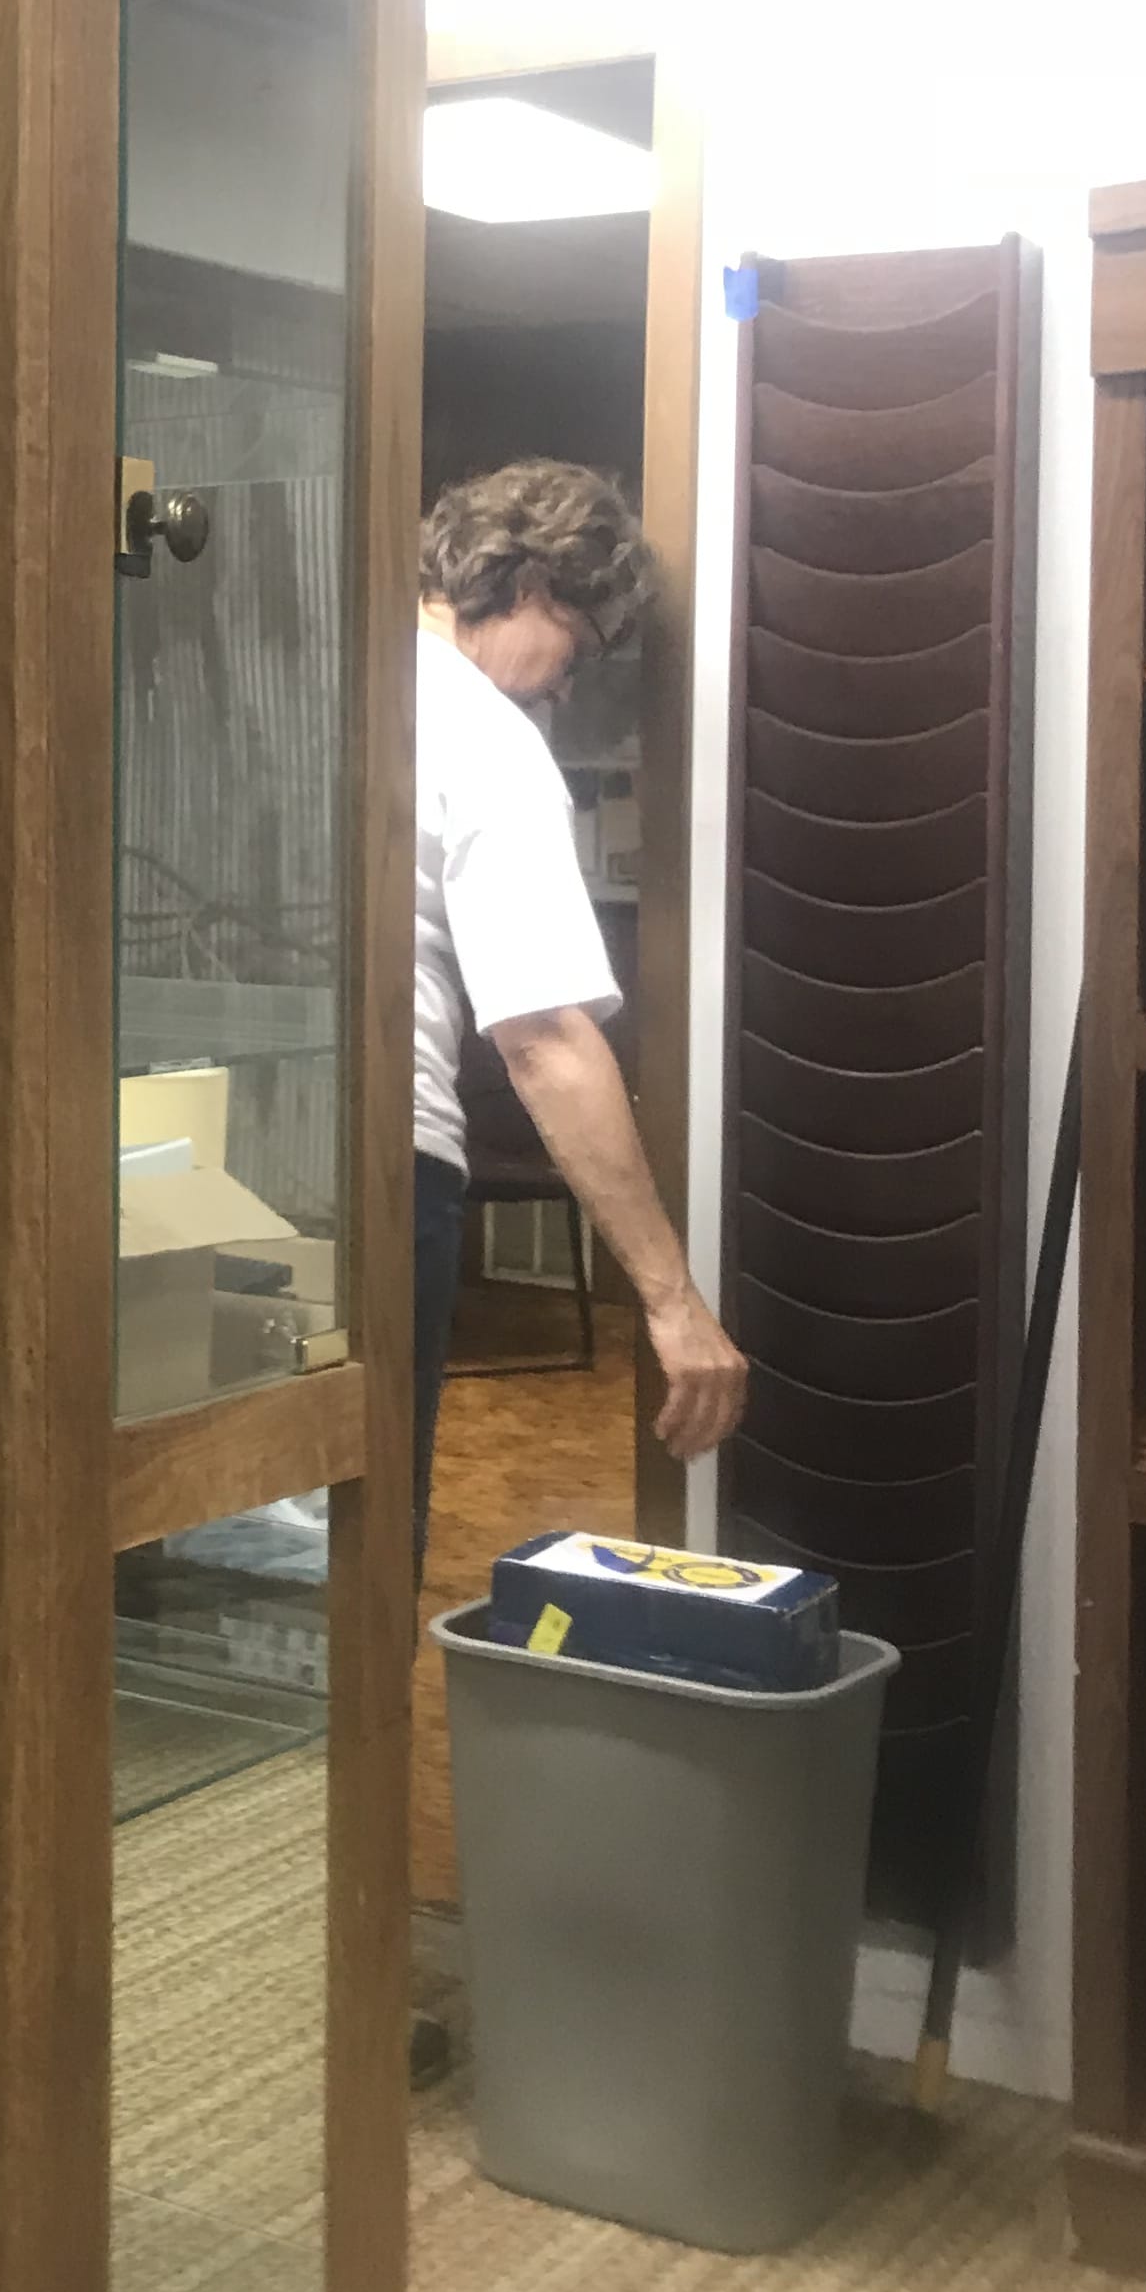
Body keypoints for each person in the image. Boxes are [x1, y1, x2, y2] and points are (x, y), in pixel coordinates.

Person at [414, 460, 746, 1567]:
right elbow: (546, 1038)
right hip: (385, 1171)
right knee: (361, 1552)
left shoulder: (331, 673)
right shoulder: (486, 736)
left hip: (230, 1155)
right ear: (532, 586)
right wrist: (672, 1302)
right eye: (578, 649)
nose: (561, 690)